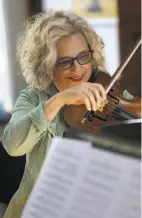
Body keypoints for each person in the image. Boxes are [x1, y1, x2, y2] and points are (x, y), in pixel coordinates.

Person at [2, 10, 133, 218]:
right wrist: (60, 99)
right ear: (47, 64)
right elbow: (13, 145)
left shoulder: (104, 86)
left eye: (83, 57)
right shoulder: (34, 97)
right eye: (65, 62)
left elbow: (134, 109)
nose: (78, 69)